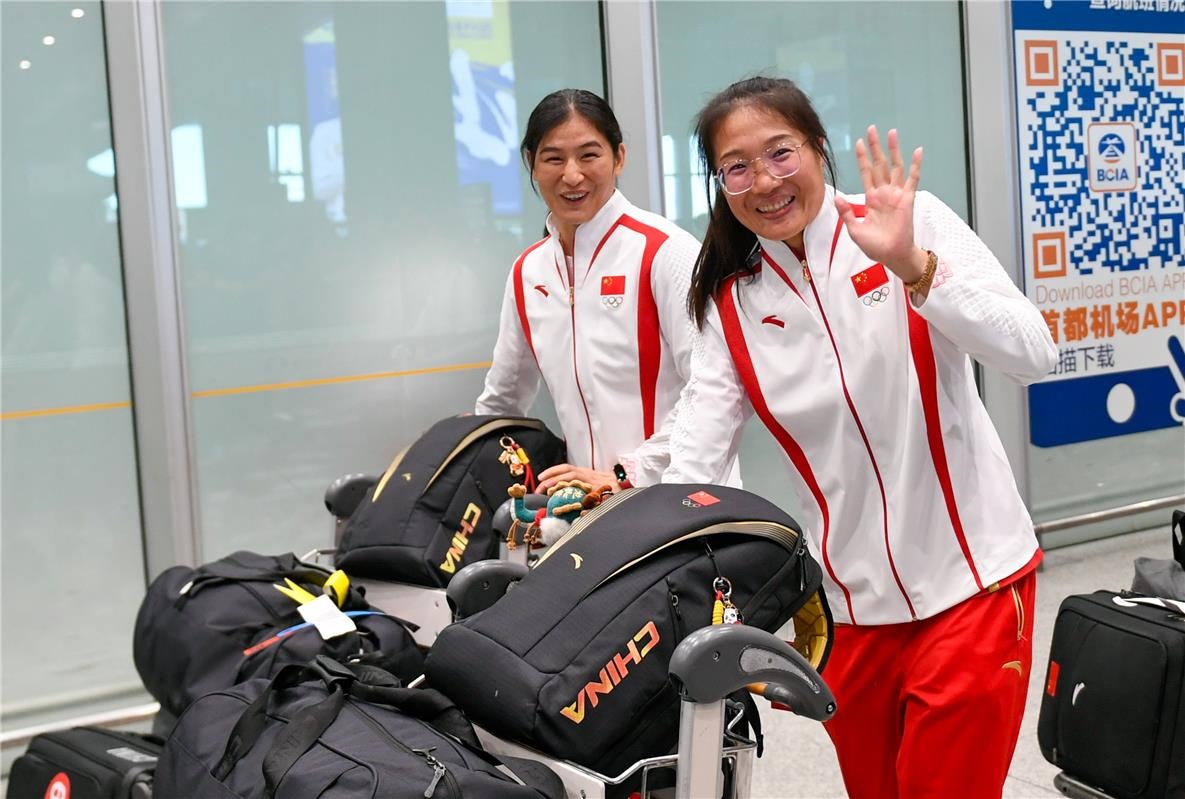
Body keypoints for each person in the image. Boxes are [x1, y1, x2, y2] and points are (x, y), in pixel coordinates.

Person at [664, 76, 1057, 799]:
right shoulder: (731, 300)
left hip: (973, 586)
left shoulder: (911, 223)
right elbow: (697, 450)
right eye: (736, 168)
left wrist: (915, 269)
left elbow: (1034, 353)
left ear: (818, 147)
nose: (764, 182)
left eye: (780, 152)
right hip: (850, 616)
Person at [476, 89, 739, 492]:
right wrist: (458, 459)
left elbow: (713, 390)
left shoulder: (664, 251)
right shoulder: (528, 272)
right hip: (588, 507)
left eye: (589, 155)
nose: (572, 175)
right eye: (553, 158)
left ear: (619, 157)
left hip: (680, 499)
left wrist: (627, 475)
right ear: (531, 163)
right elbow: (502, 402)